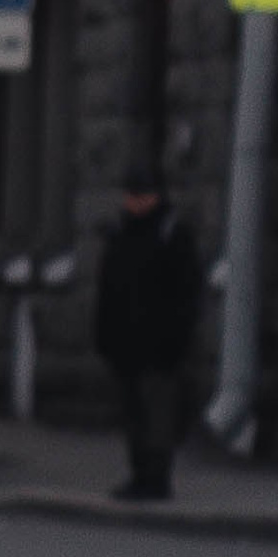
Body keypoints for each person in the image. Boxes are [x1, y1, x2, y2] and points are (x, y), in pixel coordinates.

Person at [94, 168, 203, 502]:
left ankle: (156, 479)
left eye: (141, 195)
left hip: (160, 345)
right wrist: (103, 334)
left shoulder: (171, 234)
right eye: (131, 195)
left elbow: (187, 292)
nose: (134, 202)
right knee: (133, 414)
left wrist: (176, 338)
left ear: (156, 196)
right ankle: (139, 475)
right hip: (125, 343)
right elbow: (107, 288)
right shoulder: (121, 233)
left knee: (157, 414)